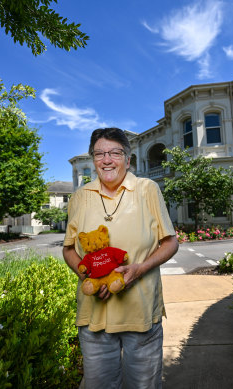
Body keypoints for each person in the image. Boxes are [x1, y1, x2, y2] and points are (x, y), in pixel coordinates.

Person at [63, 127, 179, 389]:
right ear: (93, 160)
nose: (107, 159)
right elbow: (69, 249)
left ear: (128, 159)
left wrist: (139, 269)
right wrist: (88, 276)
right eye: (99, 153)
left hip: (140, 313)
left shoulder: (147, 189)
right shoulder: (80, 197)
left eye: (115, 152)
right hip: (94, 316)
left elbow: (170, 242)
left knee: (144, 386)